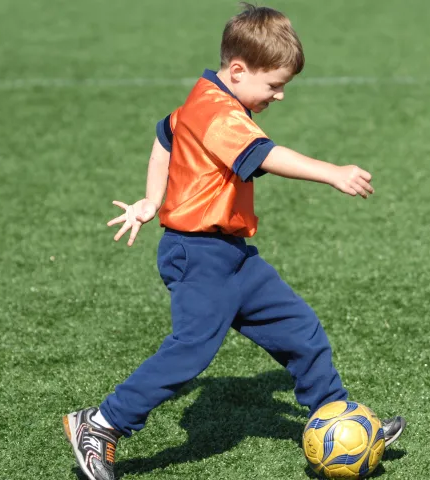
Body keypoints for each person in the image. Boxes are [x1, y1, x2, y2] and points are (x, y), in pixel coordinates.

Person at [63, 4, 405, 479]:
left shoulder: (206, 98)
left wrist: (150, 199)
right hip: (198, 254)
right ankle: (100, 425)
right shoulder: (217, 111)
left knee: (301, 331)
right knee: (190, 351)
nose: (280, 95)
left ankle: (341, 421)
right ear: (238, 70)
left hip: (235, 257)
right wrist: (332, 173)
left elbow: (165, 136)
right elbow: (263, 154)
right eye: (274, 85)